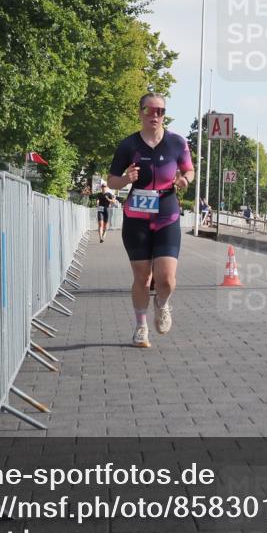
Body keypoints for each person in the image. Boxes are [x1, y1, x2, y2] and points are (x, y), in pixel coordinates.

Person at [107, 92, 194, 348]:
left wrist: (185, 180)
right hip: (137, 217)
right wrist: (125, 180)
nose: (155, 115)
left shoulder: (177, 143)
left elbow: (189, 168)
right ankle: (141, 326)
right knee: (143, 277)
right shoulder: (128, 145)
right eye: (150, 110)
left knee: (166, 279)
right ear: (140, 112)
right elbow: (111, 180)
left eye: (160, 111)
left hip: (167, 213)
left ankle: (162, 304)